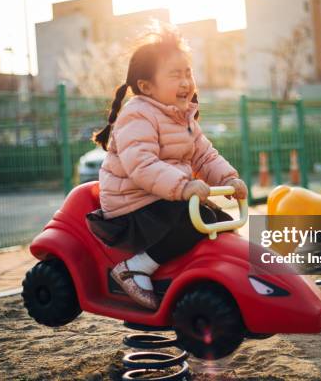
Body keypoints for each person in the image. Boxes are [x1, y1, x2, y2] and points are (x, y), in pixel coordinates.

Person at [86, 24, 247, 310]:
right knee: (191, 222)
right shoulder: (137, 114)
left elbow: (205, 156)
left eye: (188, 73)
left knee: (218, 221)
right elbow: (142, 165)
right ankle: (135, 269)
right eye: (175, 75)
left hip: (164, 198)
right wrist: (183, 186)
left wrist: (230, 178)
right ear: (146, 86)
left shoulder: (184, 117)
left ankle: (206, 278)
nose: (186, 82)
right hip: (133, 206)